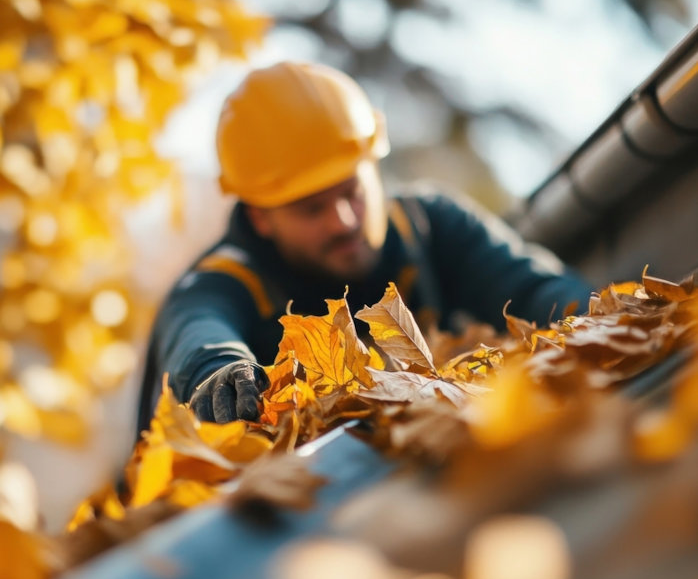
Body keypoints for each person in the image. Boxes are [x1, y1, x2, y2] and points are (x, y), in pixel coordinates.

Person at [137, 61, 592, 432]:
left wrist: (596, 321)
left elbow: (535, 287)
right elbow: (197, 327)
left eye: (351, 191)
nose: (344, 220)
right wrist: (217, 370)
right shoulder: (221, 280)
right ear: (260, 216)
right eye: (311, 209)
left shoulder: (432, 225)